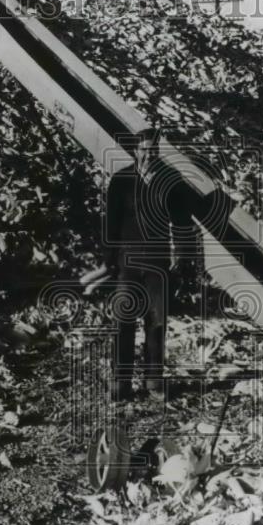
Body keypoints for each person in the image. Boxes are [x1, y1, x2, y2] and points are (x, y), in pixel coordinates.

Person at [104, 128, 199, 401]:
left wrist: (182, 260)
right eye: (144, 149)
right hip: (127, 263)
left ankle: (154, 382)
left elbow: (182, 223)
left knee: (156, 322)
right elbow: (110, 224)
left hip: (158, 264)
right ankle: (120, 383)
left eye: (154, 150)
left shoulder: (171, 181)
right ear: (136, 151)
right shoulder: (121, 180)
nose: (149, 154)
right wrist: (109, 262)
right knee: (123, 322)